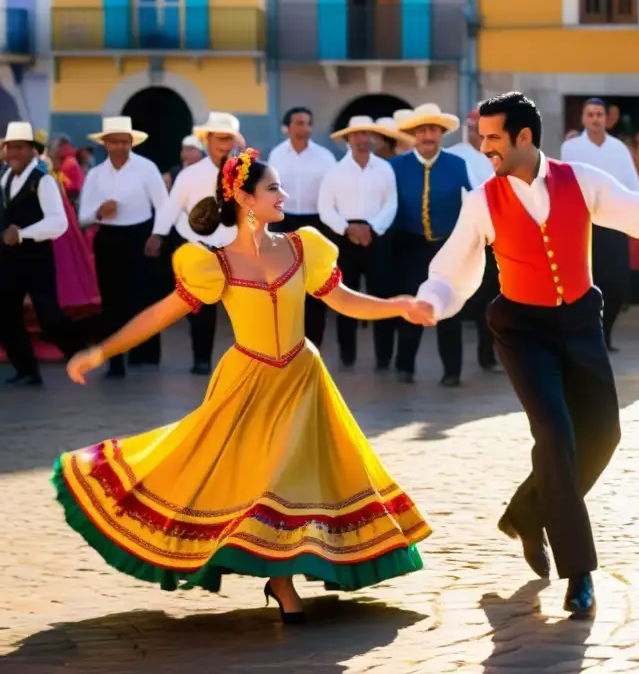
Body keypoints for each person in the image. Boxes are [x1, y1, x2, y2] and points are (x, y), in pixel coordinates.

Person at [56, 149, 434, 624]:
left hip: (302, 379)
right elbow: (160, 314)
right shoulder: (214, 264)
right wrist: (103, 350)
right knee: (247, 476)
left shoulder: (303, 247)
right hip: (247, 382)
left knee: (292, 479)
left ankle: (283, 578)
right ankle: (280, 580)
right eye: (274, 188)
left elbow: (344, 300)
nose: (285, 195)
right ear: (243, 198)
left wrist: (398, 304)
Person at [414, 92, 639, 619]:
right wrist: (432, 300)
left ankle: (527, 513)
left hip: (579, 322)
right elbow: (453, 266)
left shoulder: (581, 179)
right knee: (555, 435)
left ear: (524, 138)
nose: (484, 146)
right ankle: (580, 573)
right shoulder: (483, 199)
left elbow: (637, 210)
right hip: (521, 330)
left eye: (492, 137)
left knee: (604, 434)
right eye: (482, 137)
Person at [390, 103, 480, 386]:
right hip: (409, 246)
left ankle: (452, 372)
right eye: (422, 130)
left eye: (433, 130)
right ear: (414, 134)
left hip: (447, 247)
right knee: (409, 305)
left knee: (448, 309)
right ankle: (405, 366)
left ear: (441, 133)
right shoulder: (395, 166)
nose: (428, 135)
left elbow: (477, 198)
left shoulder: (458, 164)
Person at [147, 113, 244, 375]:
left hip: (234, 247)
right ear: (208, 139)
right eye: (219, 138)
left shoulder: (244, 173)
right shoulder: (190, 175)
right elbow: (172, 206)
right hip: (197, 245)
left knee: (245, 306)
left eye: (229, 139)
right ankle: (202, 359)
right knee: (202, 307)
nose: (224, 145)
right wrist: (158, 234)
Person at [79, 117, 167, 377]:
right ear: (105, 143)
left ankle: (144, 354)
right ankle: (115, 360)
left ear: (131, 143)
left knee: (141, 297)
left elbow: (164, 205)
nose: (119, 147)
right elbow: (82, 217)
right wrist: (99, 212)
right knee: (111, 299)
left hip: (140, 236)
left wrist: (158, 235)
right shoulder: (95, 175)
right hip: (108, 238)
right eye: (114, 142)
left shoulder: (147, 168)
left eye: (124, 142)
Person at [0, 122, 80, 385]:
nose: (13, 152)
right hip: (9, 260)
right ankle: (27, 370)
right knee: (6, 313)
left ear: (32, 151)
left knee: (49, 317)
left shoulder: (43, 181)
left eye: (19, 147)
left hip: (37, 259)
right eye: (10, 147)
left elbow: (59, 222)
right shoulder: (5, 179)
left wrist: (22, 233)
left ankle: (82, 357)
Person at [560, 99, 639, 351]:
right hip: (581, 223)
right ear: (583, 118)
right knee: (583, 283)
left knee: (616, 284)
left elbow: (633, 186)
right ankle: (585, 335)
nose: (595, 119)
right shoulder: (571, 147)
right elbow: (563, 184)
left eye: (599, 114)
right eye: (590, 114)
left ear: (607, 119)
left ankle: (605, 333)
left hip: (613, 221)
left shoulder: (618, 149)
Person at [319, 117, 399, 368]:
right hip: (345, 238)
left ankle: (384, 357)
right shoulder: (334, 171)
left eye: (366, 134)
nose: (362, 139)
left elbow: (391, 203)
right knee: (346, 296)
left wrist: (371, 228)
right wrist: (347, 228)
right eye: (357, 135)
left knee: (382, 297)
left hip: (377, 236)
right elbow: (325, 208)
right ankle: (347, 354)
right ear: (348, 139)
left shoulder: (385, 169)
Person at [267, 107, 338, 348]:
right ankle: (288, 340)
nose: (304, 128)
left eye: (307, 123)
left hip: (316, 222)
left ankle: (314, 341)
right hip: (284, 223)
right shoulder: (276, 156)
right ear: (288, 127)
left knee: (314, 281)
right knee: (285, 281)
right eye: (298, 123)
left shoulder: (325, 157)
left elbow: (332, 191)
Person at [447, 108, 502, 373]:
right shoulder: (454, 156)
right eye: (472, 127)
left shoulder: (499, 155)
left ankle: (488, 355)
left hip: (493, 239)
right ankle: (452, 365)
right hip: (461, 236)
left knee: (491, 299)